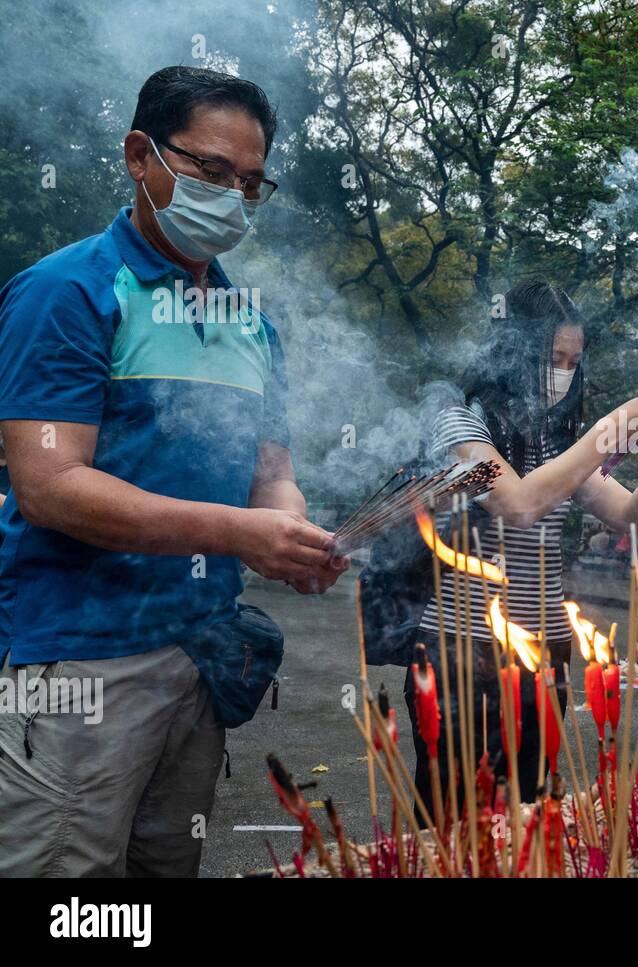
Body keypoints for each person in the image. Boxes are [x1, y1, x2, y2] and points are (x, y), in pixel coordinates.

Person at [0, 67, 348, 877]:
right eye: (210, 171)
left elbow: (271, 469)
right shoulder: (68, 291)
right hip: (83, 658)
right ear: (138, 155)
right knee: (69, 886)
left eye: (251, 183)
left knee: (165, 870)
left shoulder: (250, 321)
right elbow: (50, 486)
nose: (231, 197)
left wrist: (290, 528)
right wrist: (241, 533)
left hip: (202, 653)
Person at [404, 280, 638, 805]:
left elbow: (631, 514)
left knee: (530, 813)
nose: (565, 372)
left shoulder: (554, 443)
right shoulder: (459, 424)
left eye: (574, 361)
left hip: (546, 651)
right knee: (458, 820)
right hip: (465, 650)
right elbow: (519, 503)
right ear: (515, 352)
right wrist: (606, 430)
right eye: (556, 357)